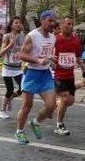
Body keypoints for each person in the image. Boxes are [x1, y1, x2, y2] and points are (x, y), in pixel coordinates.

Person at [15, 10, 57, 145]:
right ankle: (19, 131)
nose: (53, 23)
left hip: (45, 74)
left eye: (54, 21)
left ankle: (35, 122)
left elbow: (47, 55)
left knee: (51, 105)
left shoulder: (53, 37)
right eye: (50, 20)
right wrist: (38, 61)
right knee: (27, 106)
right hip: (31, 73)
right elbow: (21, 55)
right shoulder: (32, 36)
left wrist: (52, 61)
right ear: (42, 20)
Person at [53, 16, 85, 135]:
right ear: (61, 25)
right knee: (64, 98)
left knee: (70, 101)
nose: (70, 26)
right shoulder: (55, 39)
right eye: (68, 24)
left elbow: (77, 56)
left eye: (72, 24)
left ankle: (53, 104)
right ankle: (59, 125)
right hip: (57, 74)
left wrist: (82, 64)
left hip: (70, 76)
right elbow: (48, 55)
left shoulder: (76, 40)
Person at [0, 17, 25, 119]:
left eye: (19, 23)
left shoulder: (23, 36)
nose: (18, 24)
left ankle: (11, 98)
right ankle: (2, 111)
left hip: (18, 68)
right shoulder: (7, 36)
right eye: (16, 23)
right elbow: (1, 52)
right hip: (7, 68)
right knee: (9, 89)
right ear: (11, 25)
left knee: (24, 88)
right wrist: (10, 45)